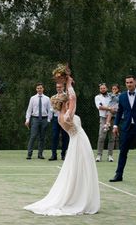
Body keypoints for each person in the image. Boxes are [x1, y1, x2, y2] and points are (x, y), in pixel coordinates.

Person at [25, 64, 100, 215]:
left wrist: (67, 84)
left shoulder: (60, 117)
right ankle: (80, 197)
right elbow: (72, 99)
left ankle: (78, 195)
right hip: (79, 140)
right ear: (64, 104)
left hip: (75, 142)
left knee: (77, 169)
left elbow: (70, 98)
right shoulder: (66, 116)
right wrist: (69, 85)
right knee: (83, 168)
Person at [25, 83, 51, 160]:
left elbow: (50, 110)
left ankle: (40, 154)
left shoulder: (47, 98)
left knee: (42, 138)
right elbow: (29, 110)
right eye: (38, 88)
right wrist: (27, 119)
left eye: (41, 88)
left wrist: (48, 119)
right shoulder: (32, 98)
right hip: (35, 119)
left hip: (44, 119)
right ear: (36, 89)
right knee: (33, 136)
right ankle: (29, 154)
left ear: (43, 89)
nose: (39, 89)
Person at [48, 82, 69, 161]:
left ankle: (63, 154)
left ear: (63, 87)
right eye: (57, 87)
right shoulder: (53, 97)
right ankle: (54, 154)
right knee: (54, 136)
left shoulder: (66, 96)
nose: (58, 89)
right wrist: (55, 108)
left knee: (65, 136)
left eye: (60, 87)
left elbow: (69, 106)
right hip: (56, 118)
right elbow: (51, 108)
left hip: (64, 118)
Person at [95, 83, 115, 162]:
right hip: (103, 118)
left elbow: (116, 105)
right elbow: (100, 107)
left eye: (104, 88)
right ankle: (99, 155)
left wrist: (111, 110)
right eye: (101, 88)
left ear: (107, 88)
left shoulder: (111, 96)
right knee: (101, 137)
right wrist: (110, 108)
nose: (103, 89)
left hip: (113, 118)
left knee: (112, 137)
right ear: (100, 90)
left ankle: (110, 155)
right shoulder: (97, 97)